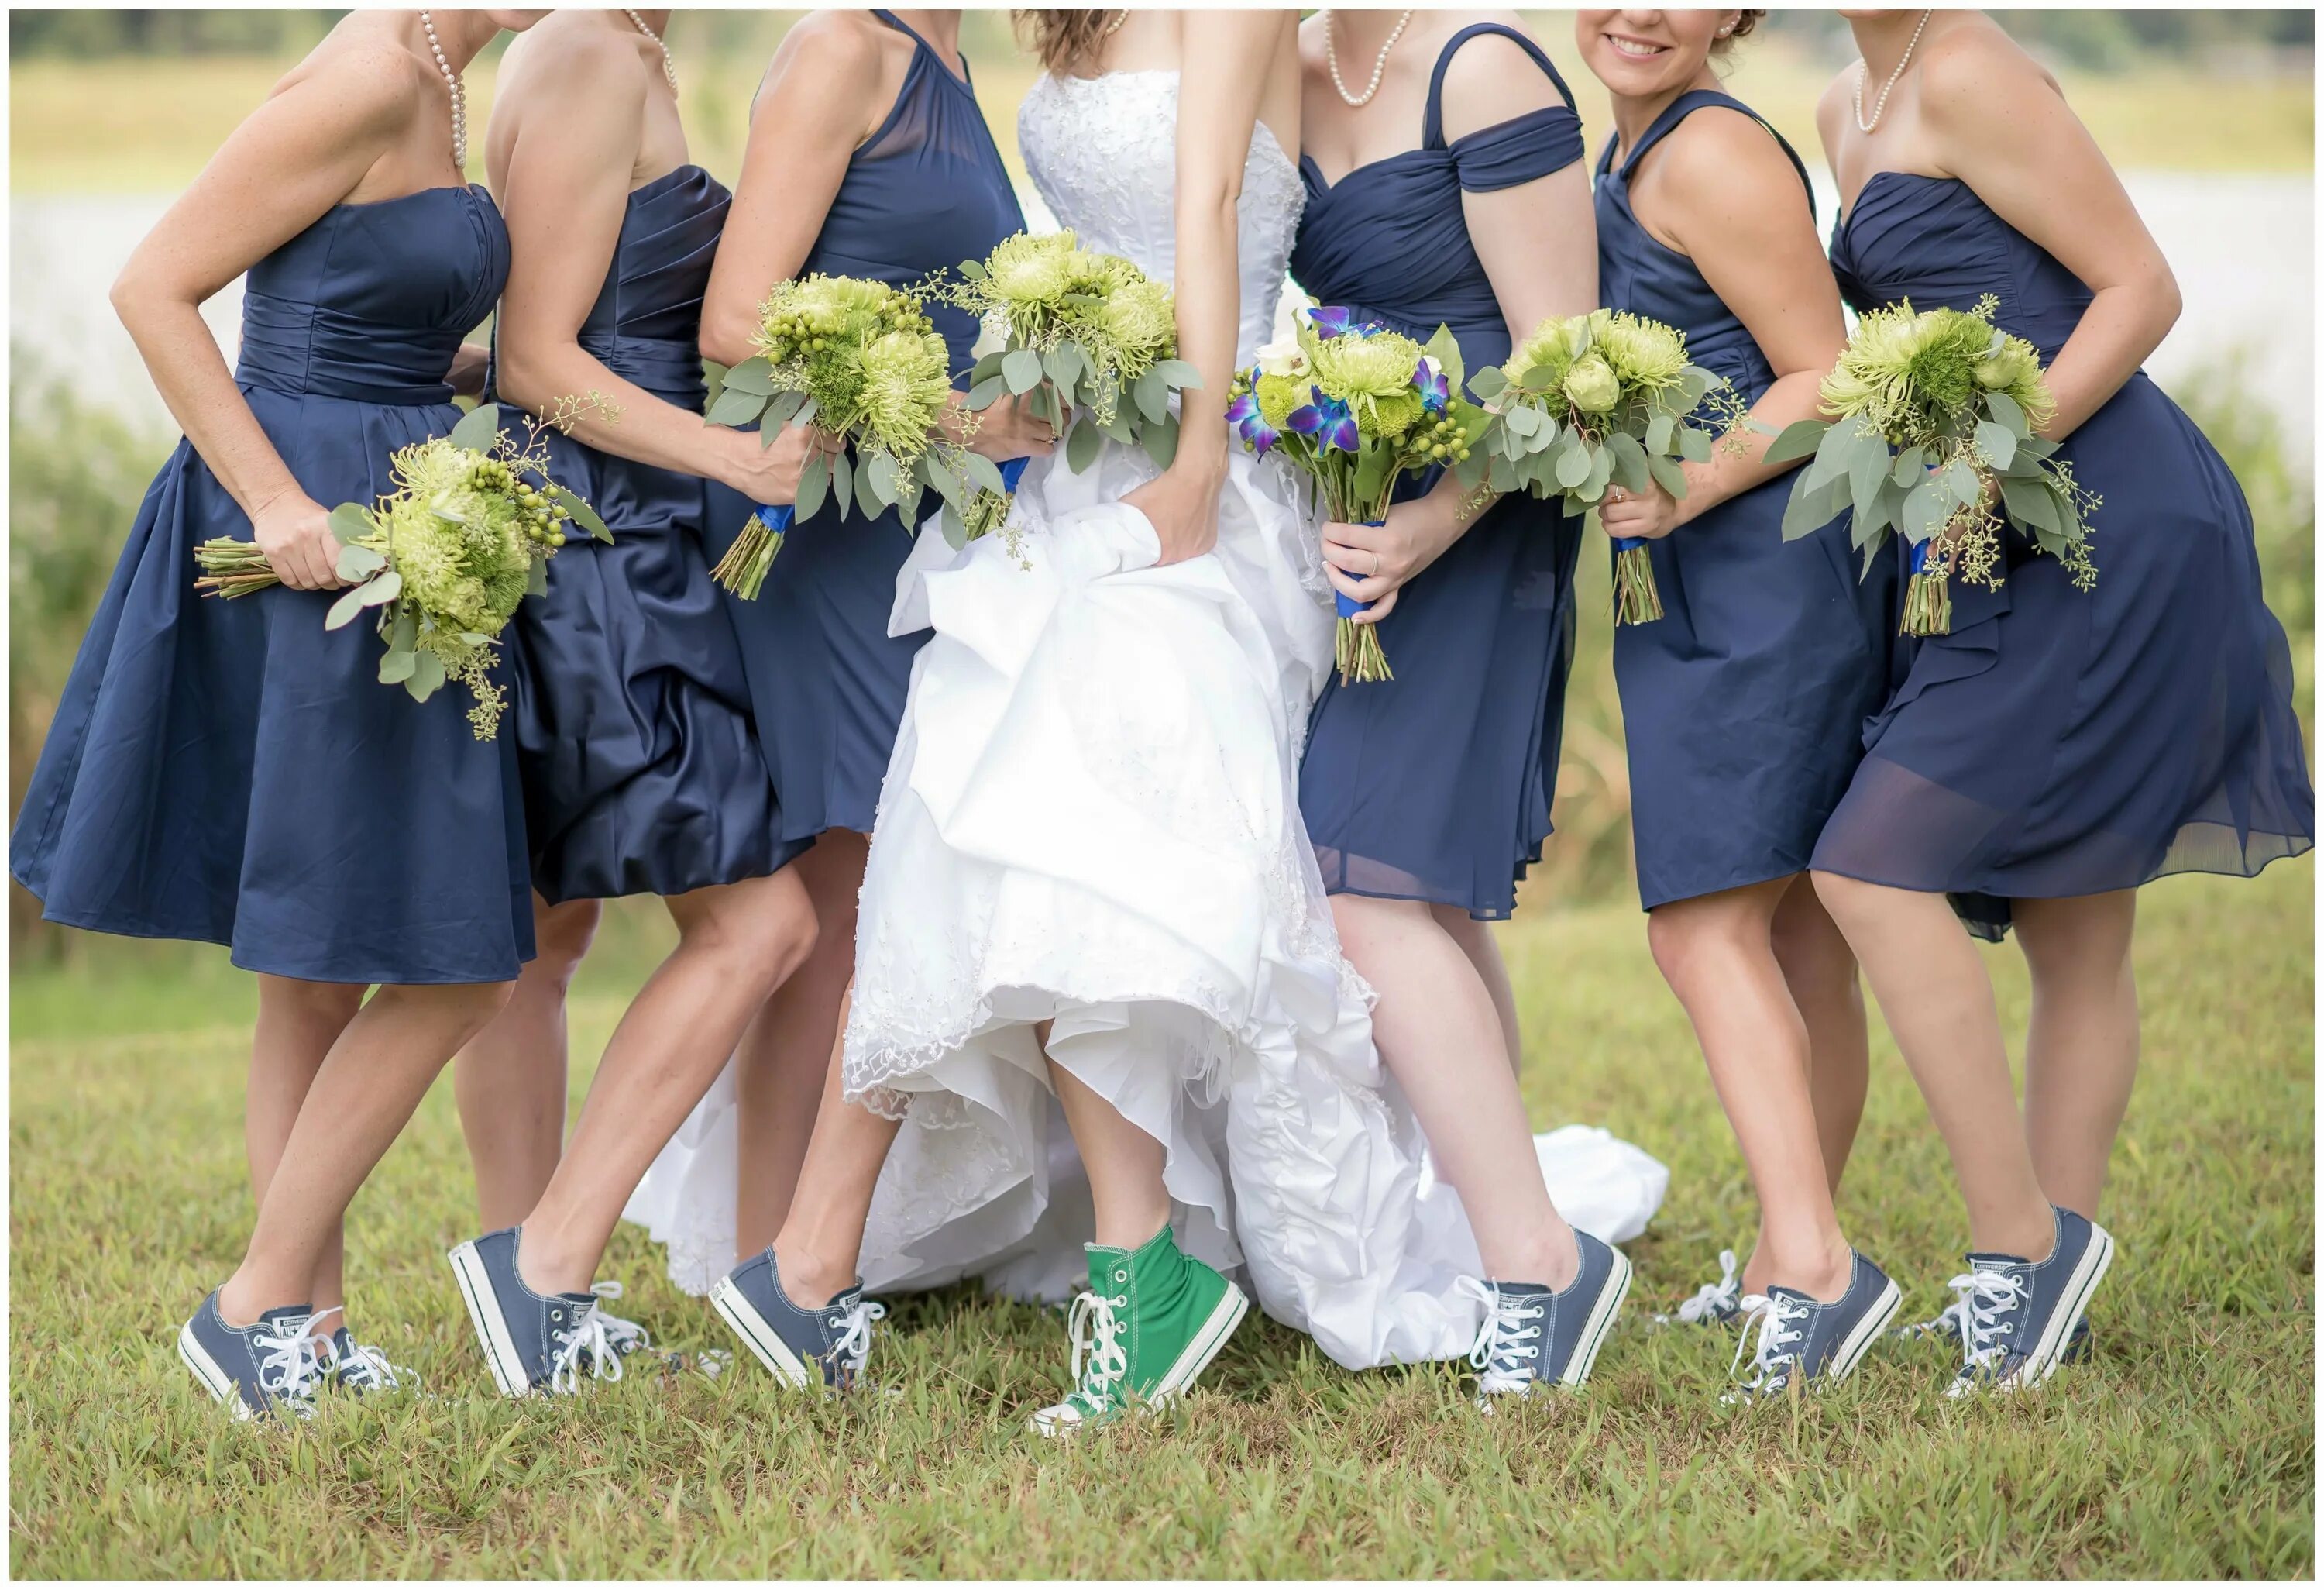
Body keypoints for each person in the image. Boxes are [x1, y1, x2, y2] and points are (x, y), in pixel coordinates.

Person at [10, 9, 546, 1416]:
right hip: (312, 538)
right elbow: (151, 288)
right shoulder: (371, 71)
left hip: (399, 517)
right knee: (461, 969)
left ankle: (301, 1336)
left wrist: (497, 400)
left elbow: (367, 303)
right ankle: (253, 1302)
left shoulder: (445, 70)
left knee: (315, 976)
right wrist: (275, 501)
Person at [1810, 7, 2312, 1395]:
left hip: (2109, 524)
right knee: (2071, 931)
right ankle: (2055, 1285)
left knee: (1867, 868)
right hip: (1980, 549)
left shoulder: (1968, 68)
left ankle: (2018, 1250)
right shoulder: (1838, 101)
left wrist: (1992, 455)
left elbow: (2141, 289)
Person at [440, 6, 826, 1397]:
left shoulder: (596, 49)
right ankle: (540, 1267)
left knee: (547, 934)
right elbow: (544, 356)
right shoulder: (595, 51)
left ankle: (527, 1284)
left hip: (593, 528)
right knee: (763, 924)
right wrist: (738, 456)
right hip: (619, 552)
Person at [1290, 8, 1634, 1399]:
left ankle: (1538, 1266)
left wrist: (1435, 523)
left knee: (1359, 888)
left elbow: (1570, 363)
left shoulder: (1480, 67)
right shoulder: (1293, 64)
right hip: (1359, 521)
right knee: (1408, 892)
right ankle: (1495, 1219)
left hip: (1484, 525)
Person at [1576, 8, 1900, 1397]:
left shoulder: (1709, 154)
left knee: (1701, 926)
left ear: (1735, 17)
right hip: (1718, 576)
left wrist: (1688, 483)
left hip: (1767, 578)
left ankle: (1821, 1274)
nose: (1639, 11)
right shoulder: (1635, 138)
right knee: (1793, 927)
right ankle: (1787, 1255)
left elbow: (1826, 370)